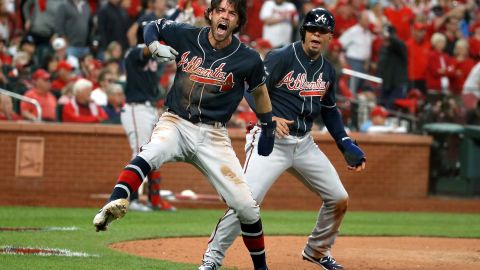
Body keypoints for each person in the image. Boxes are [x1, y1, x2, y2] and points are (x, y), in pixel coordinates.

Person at [93, 1, 276, 270]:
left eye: (232, 13)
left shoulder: (247, 57)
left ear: (238, 21)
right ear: (211, 15)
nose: (225, 16)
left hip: (214, 135)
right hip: (176, 122)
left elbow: (259, 91)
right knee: (150, 152)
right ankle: (114, 202)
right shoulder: (187, 34)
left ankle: (261, 267)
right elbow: (152, 26)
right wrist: (154, 44)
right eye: (221, 11)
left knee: (246, 207)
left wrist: (268, 125)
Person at [200, 8, 366, 270]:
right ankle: (212, 258)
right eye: (312, 29)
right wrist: (269, 118)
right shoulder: (282, 57)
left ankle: (317, 251)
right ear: (304, 31)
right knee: (246, 202)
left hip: (304, 143)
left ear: (329, 37)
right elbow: (250, 87)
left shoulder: (327, 70)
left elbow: (330, 110)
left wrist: (344, 142)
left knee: (338, 197)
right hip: (270, 140)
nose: (316, 35)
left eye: (322, 32)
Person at [119, 43, 175, 212]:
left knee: (153, 154)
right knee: (140, 153)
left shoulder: (157, 55)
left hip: (150, 107)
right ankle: (132, 199)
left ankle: (154, 200)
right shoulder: (136, 51)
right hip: (136, 107)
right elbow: (146, 50)